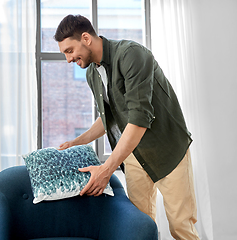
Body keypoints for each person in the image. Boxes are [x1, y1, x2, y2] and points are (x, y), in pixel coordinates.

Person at [54, 14, 200, 239]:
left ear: (86, 38)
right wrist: (77, 141)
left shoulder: (132, 54)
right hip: (134, 155)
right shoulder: (93, 73)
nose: (68, 59)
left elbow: (139, 119)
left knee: (180, 226)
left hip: (167, 150)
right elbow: (109, 117)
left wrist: (107, 169)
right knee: (140, 226)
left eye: (70, 51)